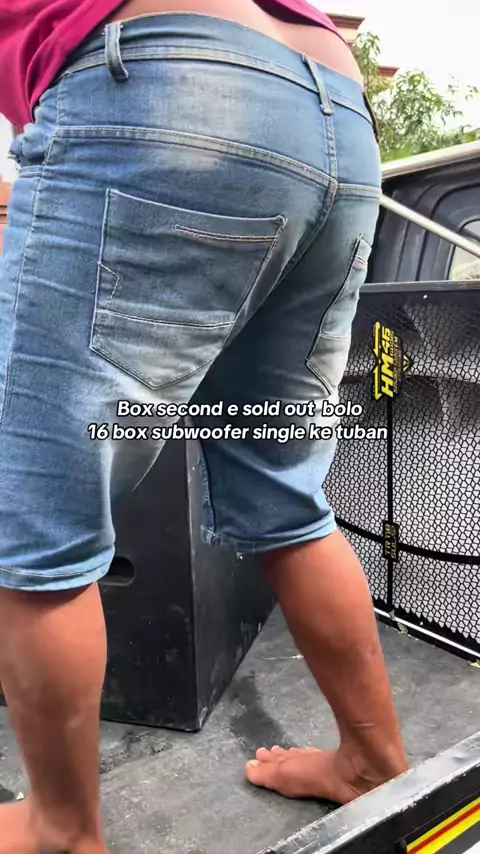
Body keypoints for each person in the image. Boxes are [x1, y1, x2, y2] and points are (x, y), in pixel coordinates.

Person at [0, 1, 409, 852]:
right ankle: (374, 764)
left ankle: (60, 831)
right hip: (334, 111)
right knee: (286, 494)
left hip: (165, 85)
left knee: (33, 519)